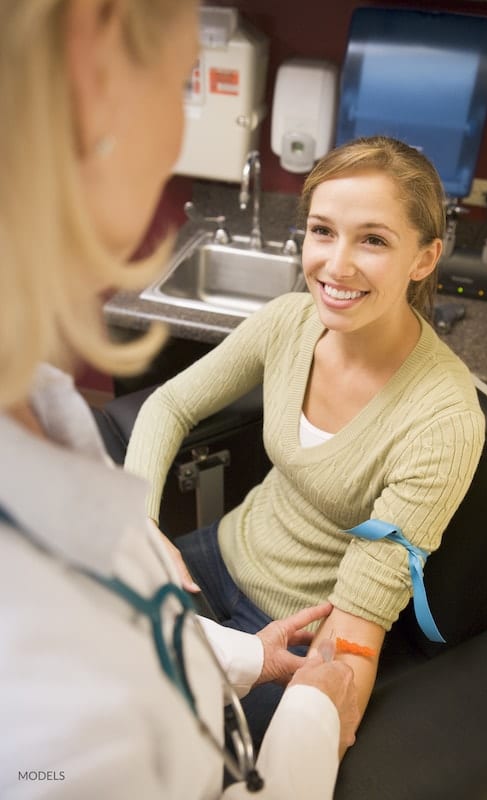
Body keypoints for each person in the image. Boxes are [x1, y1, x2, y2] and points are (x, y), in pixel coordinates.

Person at [0, 1, 360, 798]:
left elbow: (119, 621)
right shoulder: (56, 734)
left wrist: (242, 659)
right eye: (183, 79)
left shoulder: (36, 407)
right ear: (94, 63)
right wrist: (307, 718)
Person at [125, 135, 486, 743]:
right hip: (213, 558)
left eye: (373, 239)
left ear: (425, 258)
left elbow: (358, 629)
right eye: (323, 231)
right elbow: (170, 403)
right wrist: (137, 522)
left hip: (296, 625)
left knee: (176, 756)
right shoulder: (290, 321)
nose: (336, 265)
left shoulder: (442, 421)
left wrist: (323, 724)